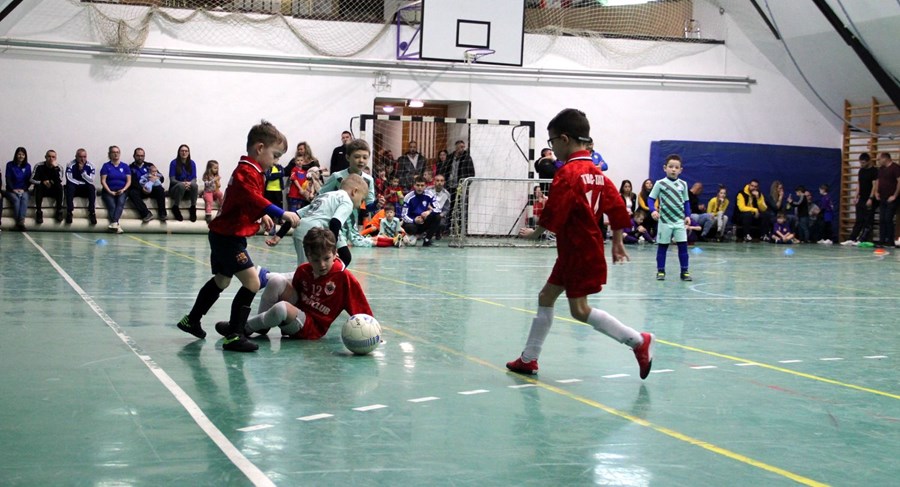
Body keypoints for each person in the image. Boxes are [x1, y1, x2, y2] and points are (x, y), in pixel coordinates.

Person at [506, 108, 653, 379]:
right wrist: (617, 241)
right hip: (578, 249)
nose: (552, 149)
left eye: (552, 142)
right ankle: (528, 359)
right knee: (545, 297)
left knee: (580, 310)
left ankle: (638, 341)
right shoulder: (597, 172)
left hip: (578, 250)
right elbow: (617, 207)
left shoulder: (568, 173)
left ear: (564, 139)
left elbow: (554, 212)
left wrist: (535, 233)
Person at [175, 120, 300, 353]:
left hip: (225, 235)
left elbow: (244, 201)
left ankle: (192, 320)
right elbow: (252, 198)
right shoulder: (246, 171)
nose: (276, 162)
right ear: (260, 148)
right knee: (252, 282)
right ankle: (234, 335)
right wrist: (280, 212)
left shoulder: (252, 171)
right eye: (275, 155)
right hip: (228, 238)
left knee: (222, 280)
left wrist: (261, 215)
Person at [236, 227, 373, 340]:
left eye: (326, 258)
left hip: (312, 328)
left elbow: (360, 305)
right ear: (308, 257)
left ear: (335, 253)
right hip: (297, 315)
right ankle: (261, 325)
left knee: (281, 308)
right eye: (316, 260)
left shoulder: (343, 277)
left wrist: (371, 330)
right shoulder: (303, 270)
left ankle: (241, 327)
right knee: (276, 280)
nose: (322, 264)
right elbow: (294, 295)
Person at [267, 173, 367, 267]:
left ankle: (333, 277)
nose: (360, 204)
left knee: (346, 256)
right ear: (354, 191)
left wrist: (279, 236)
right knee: (309, 269)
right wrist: (332, 249)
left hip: (304, 228)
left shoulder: (326, 196)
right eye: (362, 200)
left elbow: (295, 215)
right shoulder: (348, 202)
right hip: (313, 232)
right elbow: (335, 223)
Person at [648, 154, 692, 281]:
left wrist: (688, 216)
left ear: (680, 170)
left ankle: (685, 271)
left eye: (676, 167)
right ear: (665, 168)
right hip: (664, 221)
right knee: (662, 247)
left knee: (683, 247)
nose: (673, 169)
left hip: (679, 222)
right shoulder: (660, 183)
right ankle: (661, 271)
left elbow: (686, 202)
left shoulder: (683, 184)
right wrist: (653, 210)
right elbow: (651, 199)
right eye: (671, 166)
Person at [843, 152, 878, 245]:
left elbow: (875, 185)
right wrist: (856, 196)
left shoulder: (874, 171)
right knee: (859, 219)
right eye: (860, 162)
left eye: (863, 163)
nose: (861, 164)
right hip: (861, 198)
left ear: (868, 161)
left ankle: (863, 239)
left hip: (869, 198)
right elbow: (858, 184)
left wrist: (871, 198)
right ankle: (852, 238)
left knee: (867, 220)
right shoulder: (861, 171)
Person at [438, 140, 475, 228]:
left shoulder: (467, 158)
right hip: (449, 187)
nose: (462, 148)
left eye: (463, 147)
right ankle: (447, 227)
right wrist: (444, 182)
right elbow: (444, 170)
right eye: (460, 147)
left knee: (460, 208)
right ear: (456, 147)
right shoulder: (450, 157)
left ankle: (460, 227)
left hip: (460, 188)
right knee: (448, 207)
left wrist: (465, 185)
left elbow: (471, 174)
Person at [99, 145, 131, 233]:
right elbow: (103, 181)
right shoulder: (106, 166)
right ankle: (116, 224)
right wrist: (110, 191)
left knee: (120, 202)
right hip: (108, 191)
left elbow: (129, 181)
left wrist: (123, 189)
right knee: (112, 205)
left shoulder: (125, 166)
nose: (116, 154)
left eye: (117, 152)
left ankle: (114, 223)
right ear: (110, 154)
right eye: (113, 152)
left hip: (122, 190)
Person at [401, 176, 441, 247]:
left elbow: (438, 208)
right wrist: (414, 220)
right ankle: (410, 237)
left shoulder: (429, 194)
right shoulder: (408, 197)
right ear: (414, 185)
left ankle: (427, 240)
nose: (420, 187)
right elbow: (403, 215)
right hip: (412, 223)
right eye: (418, 185)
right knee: (410, 227)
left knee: (437, 217)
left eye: (422, 185)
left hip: (423, 222)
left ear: (425, 186)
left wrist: (429, 212)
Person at [127, 148, 164, 222]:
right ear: (134, 156)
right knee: (132, 192)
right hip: (140, 190)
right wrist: (143, 188)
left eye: (142, 156)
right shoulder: (130, 168)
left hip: (152, 189)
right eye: (138, 155)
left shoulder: (150, 165)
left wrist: (156, 179)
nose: (140, 157)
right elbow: (131, 182)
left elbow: (161, 178)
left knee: (160, 189)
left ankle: (162, 214)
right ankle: (146, 214)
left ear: (144, 156)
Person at [31, 149, 65, 224]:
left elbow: (60, 180)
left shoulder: (59, 167)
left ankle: (59, 211)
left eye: (53, 157)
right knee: (38, 187)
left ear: (55, 158)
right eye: (49, 156)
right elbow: (32, 179)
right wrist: (42, 182)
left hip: (53, 189)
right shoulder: (39, 166)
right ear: (45, 157)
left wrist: (55, 169)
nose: (51, 158)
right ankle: (39, 212)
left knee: (60, 187)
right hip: (42, 189)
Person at [65, 148, 97, 225]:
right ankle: (69, 212)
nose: (82, 159)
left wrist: (82, 171)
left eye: (84, 157)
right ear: (76, 157)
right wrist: (80, 183)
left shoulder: (91, 165)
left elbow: (91, 180)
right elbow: (69, 178)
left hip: (84, 188)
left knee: (91, 187)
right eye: (80, 157)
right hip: (74, 187)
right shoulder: (70, 164)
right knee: (69, 187)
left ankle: (92, 212)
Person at [874, 152, 900, 247]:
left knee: (888, 219)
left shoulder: (895, 168)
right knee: (882, 219)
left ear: (885, 158)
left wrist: (894, 195)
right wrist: (876, 192)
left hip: (891, 198)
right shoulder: (881, 169)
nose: (878, 161)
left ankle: (890, 241)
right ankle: (881, 241)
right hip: (882, 197)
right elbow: (878, 181)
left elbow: (899, 182)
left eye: (879, 159)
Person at [168, 144, 199, 222]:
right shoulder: (174, 163)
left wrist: (189, 184)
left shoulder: (192, 163)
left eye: (186, 151)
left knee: (195, 185)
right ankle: (175, 207)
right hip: (176, 190)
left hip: (188, 190)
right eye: (182, 151)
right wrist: (183, 183)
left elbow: (194, 179)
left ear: (188, 153)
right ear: (179, 152)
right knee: (181, 185)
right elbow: (172, 180)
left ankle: (193, 208)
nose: (184, 153)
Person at [5, 147, 32, 231]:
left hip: (24, 190)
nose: (21, 156)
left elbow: (29, 180)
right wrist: (13, 189)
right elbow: (8, 179)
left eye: (23, 154)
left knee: (24, 198)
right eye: (19, 154)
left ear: (25, 156)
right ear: (16, 155)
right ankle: (20, 223)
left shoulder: (28, 166)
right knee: (16, 200)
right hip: (11, 190)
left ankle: (19, 223)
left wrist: (23, 189)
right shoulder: (9, 165)